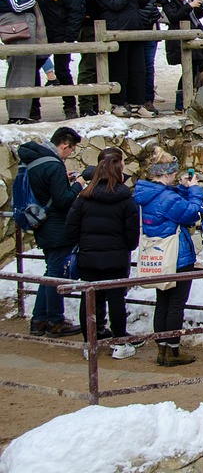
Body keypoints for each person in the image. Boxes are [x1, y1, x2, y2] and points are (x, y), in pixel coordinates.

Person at [66, 148, 141, 357]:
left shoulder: (83, 197)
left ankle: (89, 344)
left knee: (89, 299)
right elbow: (132, 235)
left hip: (89, 257)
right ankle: (120, 344)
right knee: (116, 299)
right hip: (116, 258)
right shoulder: (126, 200)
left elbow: (70, 228)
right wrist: (124, 247)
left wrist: (84, 243)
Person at [134, 150, 203, 367]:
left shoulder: (149, 193)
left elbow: (173, 207)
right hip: (177, 257)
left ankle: (162, 348)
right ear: (166, 173)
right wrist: (195, 191)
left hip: (159, 255)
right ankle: (173, 351)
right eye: (173, 173)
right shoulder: (166, 197)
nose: (176, 176)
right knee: (176, 303)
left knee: (162, 302)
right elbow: (190, 213)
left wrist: (182, 189)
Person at [17, 127, 83, 337]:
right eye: (70, 150)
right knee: (56, 276)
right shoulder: (54, 165)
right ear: (65, 145)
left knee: (50, 272)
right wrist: (78, 185)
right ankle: (55, 321)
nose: (70, 154)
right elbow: (63, 200)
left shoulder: (34, 160)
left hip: (41, 223)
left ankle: (39, 320)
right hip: (56, 227)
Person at [94, 0, 159, 118]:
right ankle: (117, 102)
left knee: (138, 69)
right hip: (116, 30)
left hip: (133, 28)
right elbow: (115, 3)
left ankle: (137, 103)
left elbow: (137, 3)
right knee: (119, 69)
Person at [34, 0, 84, 119]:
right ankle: (34, 110)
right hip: (41, 34)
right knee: (34, 68)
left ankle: (70, 107)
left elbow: (76, 9)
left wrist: (69, 36)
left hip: (60, 33)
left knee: (62, 70)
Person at [0, 0, 48, 125]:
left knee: (24, 69)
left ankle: (20, 114)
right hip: (18, 27)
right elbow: (17, 6)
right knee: (20, 68)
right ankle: (17, 116)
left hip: (21, 27)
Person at [159, 0, 203, 112]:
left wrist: (201, 7)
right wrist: (189, 6)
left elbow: (195, 17)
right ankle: (181, 102)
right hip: (178, 37)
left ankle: (192, 99)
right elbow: (173, 16)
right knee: (187, 69)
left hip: (192, 34)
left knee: (195, 69)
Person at [127, 0, 165, 115]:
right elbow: (136, 3)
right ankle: (138, 100)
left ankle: (147, 100)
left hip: (150, 27)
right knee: (139, 67)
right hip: (138, 27)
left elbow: (154, 3)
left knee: (149, 67)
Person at [72, 0, 106, 116]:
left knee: (98, 67)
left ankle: (95, 103)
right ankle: (86, 105)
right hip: (88, 25)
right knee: (89, 66)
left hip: (99, 24)